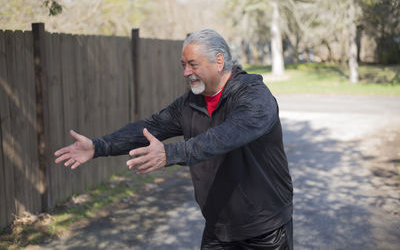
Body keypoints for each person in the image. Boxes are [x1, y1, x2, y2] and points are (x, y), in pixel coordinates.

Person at [55, 29, 293, 249]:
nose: (186, 72)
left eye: (193, 64)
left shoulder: (254, 96)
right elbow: (150, 128)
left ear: (219, 61)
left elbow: (226, 135)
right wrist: (99, 146)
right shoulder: (189, 104)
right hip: (218, 229)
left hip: (265, 229)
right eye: (183, 65)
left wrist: (170, 154)